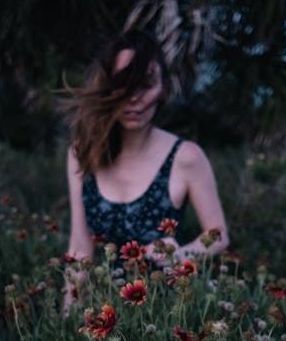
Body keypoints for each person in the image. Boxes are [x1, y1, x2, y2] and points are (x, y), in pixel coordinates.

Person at [62, 29, 229, 306]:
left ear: (162, 89)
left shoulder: (186, 156)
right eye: (123, 84)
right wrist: (66, 321)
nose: (134, 98)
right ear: (106, 87)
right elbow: (80, 248)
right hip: (106, 313)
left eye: (145, 84)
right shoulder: (83, 153)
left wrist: (183, 256)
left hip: (168, 315)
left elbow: (218, 234)